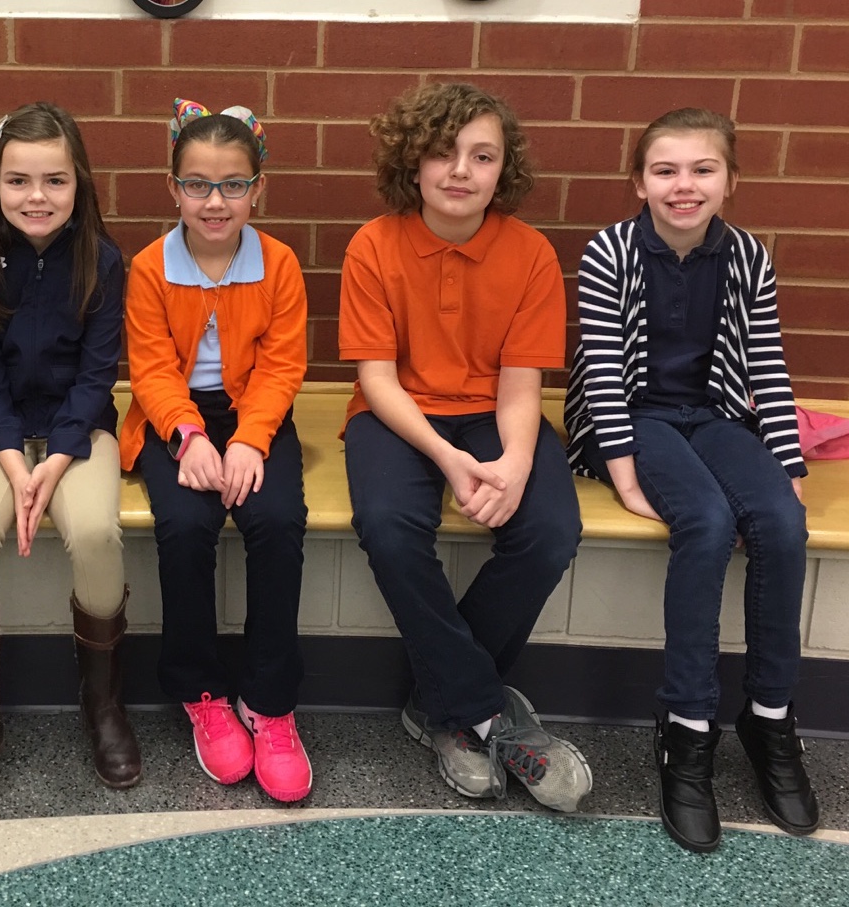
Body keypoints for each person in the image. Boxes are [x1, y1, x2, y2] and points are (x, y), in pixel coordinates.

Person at [564, 108, 820, 852]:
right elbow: (602, 374)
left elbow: (766, 364)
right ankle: (687, 728)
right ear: (639, 182)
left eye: (703, 169)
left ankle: (770, 718)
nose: (685, 185)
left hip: (712, 414)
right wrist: (623, 476)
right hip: (629, 419)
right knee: (705, 522)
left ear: (730, 180)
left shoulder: (747, 255)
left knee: (781, 522)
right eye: (665, 170)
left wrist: (786, 465)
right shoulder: (611, 251)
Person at [338, 82, 590, 813]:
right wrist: (447, 460)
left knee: (550, 530)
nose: (460, 170)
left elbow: (521, 386)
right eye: (443, 152)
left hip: (493, 416)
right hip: (398, 415)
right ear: (412, 161)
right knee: (388, 525)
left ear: (503, 169)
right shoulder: (373, 245)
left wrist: (514, 463)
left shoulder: (530, 253)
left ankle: (440, 702)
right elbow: (378, 380)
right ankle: (485, 713)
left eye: (482, 156)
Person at [0, 102, 139, 812]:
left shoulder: (102, 260)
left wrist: (59, 458)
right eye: (18, 181)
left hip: (80, 431)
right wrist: (16, 462)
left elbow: (97, 374)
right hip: (0, 431)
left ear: (80, 183)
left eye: (55, 180)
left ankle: (103, 705)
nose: (37, 197)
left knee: (95, 531)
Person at [120, 98, 312, 804]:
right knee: (184, 523)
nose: (214, 201)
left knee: (278, 520)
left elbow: (282, 365)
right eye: (197, 183)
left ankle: (270, 700)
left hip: (256, 412)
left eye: (233, 184)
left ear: (258, 189)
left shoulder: (279, 264)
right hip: (175, 417)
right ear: (173, 188)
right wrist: (189, 435)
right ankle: (201, 691)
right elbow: (150, 368)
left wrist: (252, 439)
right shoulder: (149, 267)